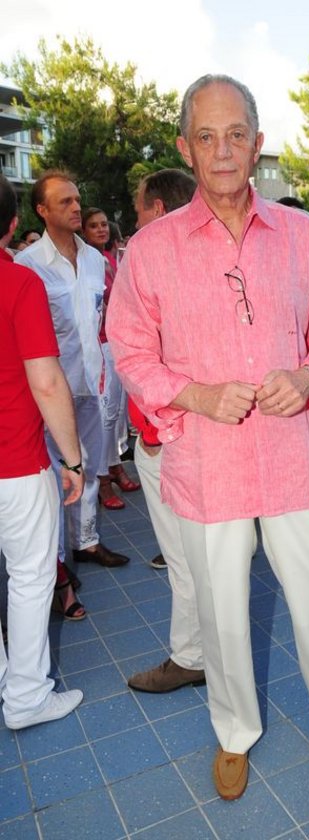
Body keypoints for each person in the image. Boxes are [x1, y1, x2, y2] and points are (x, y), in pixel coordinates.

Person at [108, 74, 309, 801]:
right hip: (209, 463)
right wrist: (196, 394)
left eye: (236, 134)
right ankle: (235, 730)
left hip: (293, 453)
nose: (222, 150)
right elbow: (131, 351)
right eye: (206, 136)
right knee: (221, 611)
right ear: (186, 148)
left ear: (257, 142)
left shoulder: (300, 235)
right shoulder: (151, 249)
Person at [0, 174, 84, 729]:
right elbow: (47, 381)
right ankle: (27, 697)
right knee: (30, 578)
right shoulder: (19, 283)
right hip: (15, 460)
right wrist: (72, 459)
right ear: (13, 224)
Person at [15, 171, 130, 569]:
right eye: (65, 202)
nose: (76, 207)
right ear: (42, 210)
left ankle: (87, 541)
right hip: (49, 388)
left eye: (77, 199)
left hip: (92, 381)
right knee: (54, 474)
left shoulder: (95, 261)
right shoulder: (28, 264)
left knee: (91, 466)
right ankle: (58, 559)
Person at [125, 167, 207, 694]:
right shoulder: (205, 258)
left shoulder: (155, 262)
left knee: (184, 558)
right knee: (200, 556)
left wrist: (152, 436)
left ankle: (192, 655)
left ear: (157, 209)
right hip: (194, 430)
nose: (134, 220)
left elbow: (148, 359)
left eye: (138, 209)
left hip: (170, 435)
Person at [82, 206, 140, 510]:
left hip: (118, 341)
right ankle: (102, 477)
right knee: (105, 415)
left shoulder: (112, 258)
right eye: (94, 225)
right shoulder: (85, 262)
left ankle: (114, 466)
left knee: (116, 413)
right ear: (84, 231)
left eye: (104, 224)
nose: (101, 229)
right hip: (100, 343)